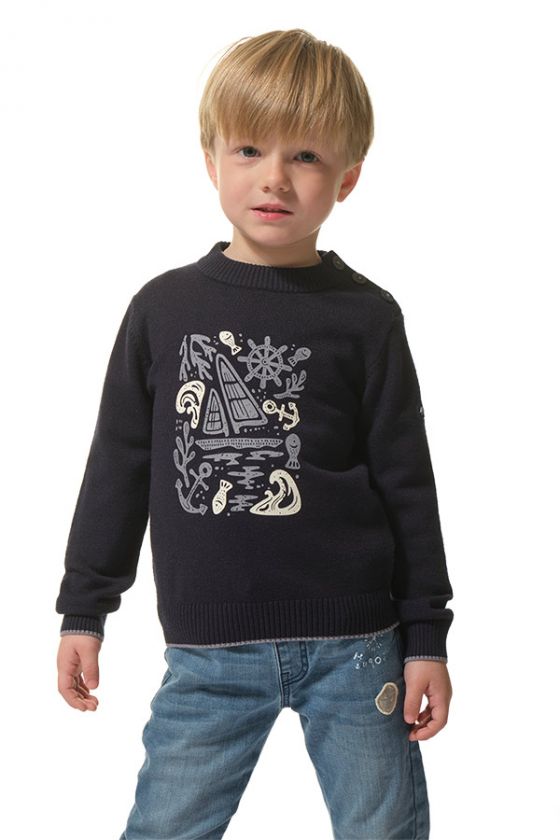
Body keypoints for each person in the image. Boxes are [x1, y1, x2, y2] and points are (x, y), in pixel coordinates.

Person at [55, 28, 453, 840]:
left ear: (347, 178)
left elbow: (407, 484)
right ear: (212, 162)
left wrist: (427, 639)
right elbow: (119, 466)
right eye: (249, 149)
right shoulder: (163, 310)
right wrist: (84, 610)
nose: (274, 177)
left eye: (305, 156)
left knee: (384, 831)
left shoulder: (368, 318)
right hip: (208, 653)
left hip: (358, 645)